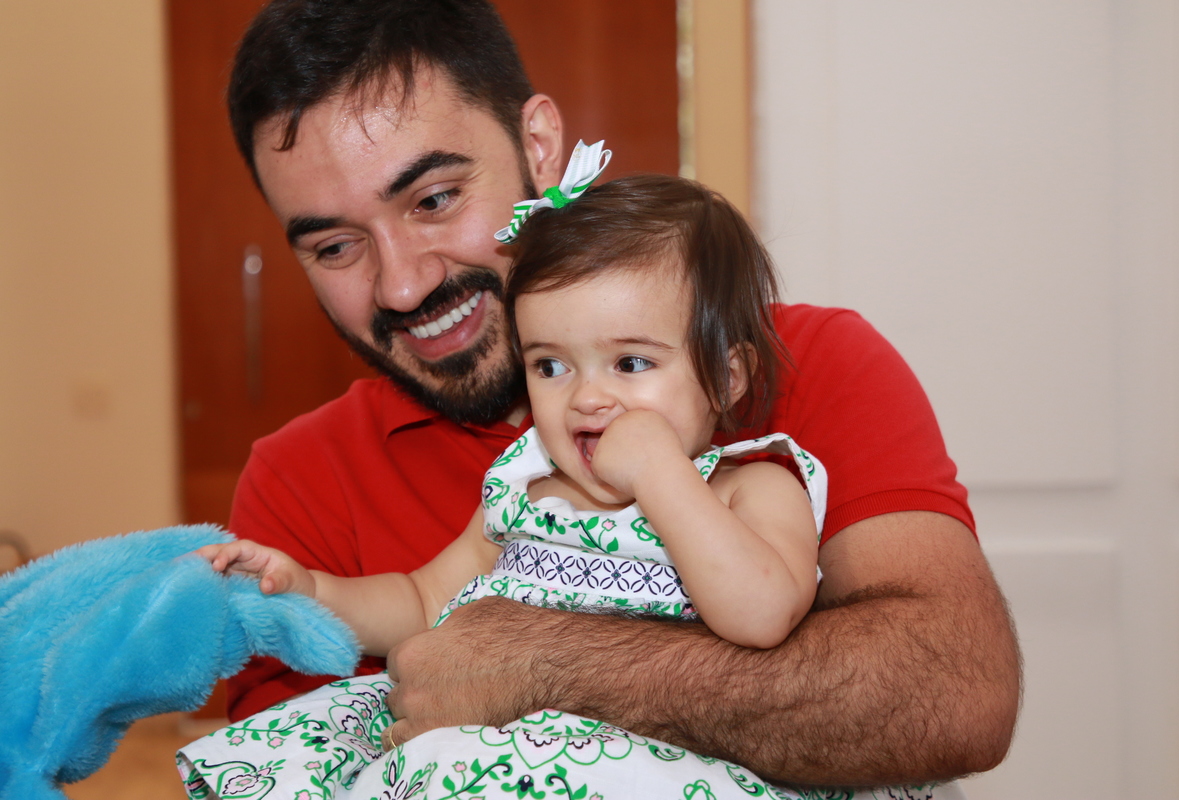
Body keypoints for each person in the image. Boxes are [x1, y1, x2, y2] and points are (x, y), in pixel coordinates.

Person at [218, 0, 1020, 790]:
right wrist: (304, 595)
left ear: (537, 146)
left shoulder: (807, 367)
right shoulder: (303, 486)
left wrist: (546, 665)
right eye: (335, 246)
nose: (401, 285)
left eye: (434, 200)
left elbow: (954, 697)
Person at [182, 167, 841, 798]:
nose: (587, 397)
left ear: (728, 377)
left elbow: (762, 618)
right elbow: (421, 599)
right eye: (551, 366)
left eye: (631, 362)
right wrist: (310, 590)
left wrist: (661, 474)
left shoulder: (749, 488)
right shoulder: (526, 492)